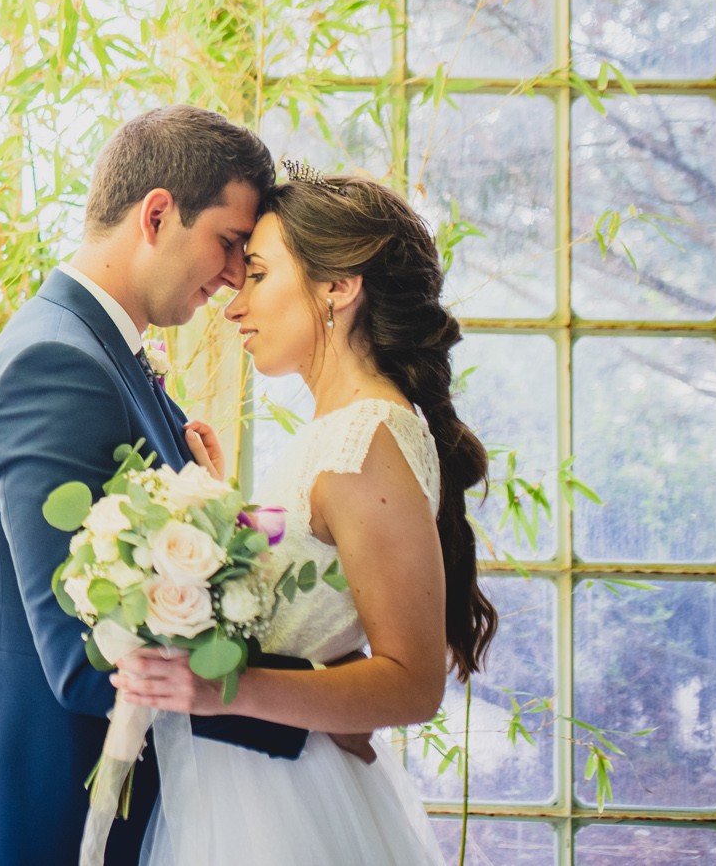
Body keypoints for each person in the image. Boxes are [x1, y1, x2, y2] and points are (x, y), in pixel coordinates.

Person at [0, 107, 373, 866]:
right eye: (229, 242)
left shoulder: (105, 352)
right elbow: (83, 654)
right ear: (158, 214)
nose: (233, 275)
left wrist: (218, 508)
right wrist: (309, 706)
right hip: (38, 799)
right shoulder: (56, 365)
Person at [110, 163, 494, 865]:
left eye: (257, 273)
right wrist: (223, 514)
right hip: (261, 785)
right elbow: (329, 606)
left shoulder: (363, 441)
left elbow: (412, 682)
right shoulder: (343, 433)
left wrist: (219, 688)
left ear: (339, 287)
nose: (232, 305)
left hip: (274, 806)